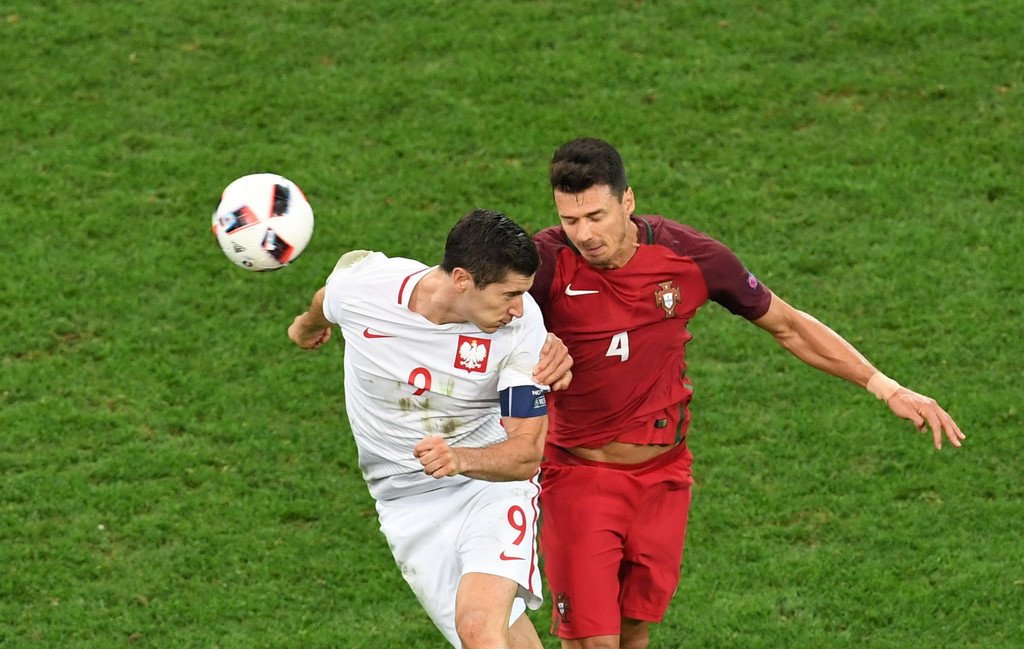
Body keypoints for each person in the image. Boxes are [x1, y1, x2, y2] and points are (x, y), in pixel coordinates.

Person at [528, 137, 965, 649]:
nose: (584, 234)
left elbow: (789, 325)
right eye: (570, 220)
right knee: (593, 642)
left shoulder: (688, 255)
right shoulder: (544, 263)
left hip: (664, 478)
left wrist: (885, 386)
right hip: (581, 477)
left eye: (596, 216)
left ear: (628, 201)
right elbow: (478, 321)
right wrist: (532, 348)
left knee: (634, 630)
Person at [288, 209, 572, 649]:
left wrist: (460, 459)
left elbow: (526, 454)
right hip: (405, 503)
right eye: (509, 294)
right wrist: (306, 327)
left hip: (489, 487)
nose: (518, 308)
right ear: (462, 280)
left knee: (478, 628)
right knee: (503, 635)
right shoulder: (368, 289)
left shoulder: (522, 327)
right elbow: (329, 300)